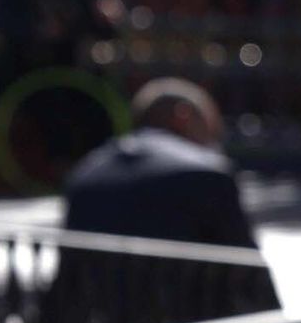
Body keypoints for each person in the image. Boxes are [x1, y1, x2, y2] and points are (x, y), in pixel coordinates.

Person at [63, 77, 258, 249]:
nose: (213, 144)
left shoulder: (84, 174)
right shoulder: (211, 176)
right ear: (183, 118)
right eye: (210, 131)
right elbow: (252, 278)